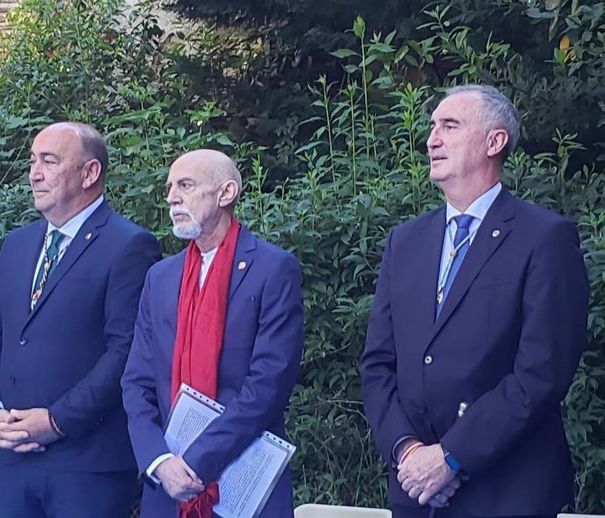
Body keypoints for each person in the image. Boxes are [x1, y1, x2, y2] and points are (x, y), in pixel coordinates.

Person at [359, 85, 589, 518]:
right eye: (431, 127)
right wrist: (407, 451)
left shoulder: (544, 239)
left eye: (450, 125)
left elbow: (542, 373)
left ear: (495, 141)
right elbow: (377, 364)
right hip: (415, 494)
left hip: (506, 492)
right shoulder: (404, 242)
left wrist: (450, 457)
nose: (432, 139)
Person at [0, 122, 161, 518]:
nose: (34, 173)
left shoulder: (129, 245)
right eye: (32, 161)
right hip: (15, 458)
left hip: (87, 465)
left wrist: (57, 420)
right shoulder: (17, 244)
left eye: (49, 161)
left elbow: (126, 351)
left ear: (90, 173)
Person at [121, 149, 303, 518]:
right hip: (167, 485)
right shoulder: (161, 277)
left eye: (186, 185)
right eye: (170, 187)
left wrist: (196, 461)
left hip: (241, 479)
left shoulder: (273, 269)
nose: (172, 197)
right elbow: (136, 381)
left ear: (226, 193)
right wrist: (157, 460)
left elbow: (267, 386)